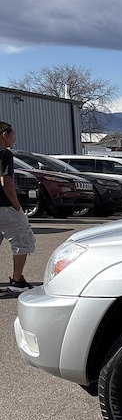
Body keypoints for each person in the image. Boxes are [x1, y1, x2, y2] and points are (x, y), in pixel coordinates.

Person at [0, 121, 36, 292]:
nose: (14, 139)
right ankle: (17, 281)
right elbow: (6, 181)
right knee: (23, 238)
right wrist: (17, 206)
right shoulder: (4, 154)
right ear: (4, 135)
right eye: (12, 135)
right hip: (5, 206)